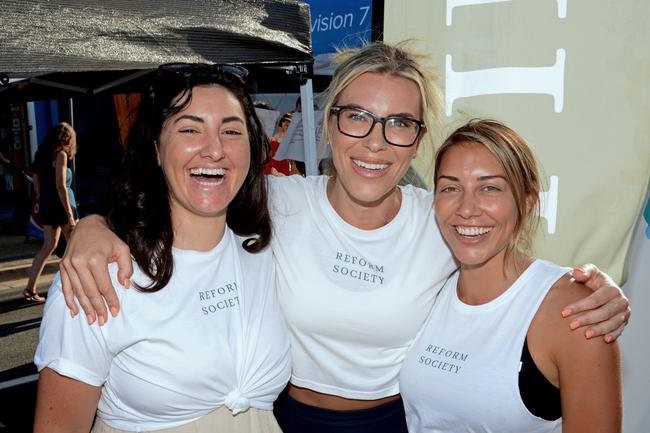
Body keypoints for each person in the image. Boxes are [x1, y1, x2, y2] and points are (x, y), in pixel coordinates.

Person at [58, 42, 630, 433]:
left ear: (416, 140)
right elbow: (185, 192)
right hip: (281, 418)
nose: (376, 141)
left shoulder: (440, 217)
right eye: (358, 117)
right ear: (331, 124)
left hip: (393, 422)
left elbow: (503, 246)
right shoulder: (277, 201)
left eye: (400, 123)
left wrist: (593, 288)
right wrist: (91, 226)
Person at [33, 63, 291, 433]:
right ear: (155, 148)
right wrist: (92, 225)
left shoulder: (266, 248)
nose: (215, 150)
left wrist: (92, 221)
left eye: (231, 131)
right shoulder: (99, 277)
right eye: (190, 129)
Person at [399, 119, 622, 432]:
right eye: (451, 188)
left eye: (489, 188)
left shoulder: (575, 311)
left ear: (527, 201)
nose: (466, 209)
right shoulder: (429, 286)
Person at [24, 122, 78, 303]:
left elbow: (37, 185)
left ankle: (30, 288)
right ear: (67, 138)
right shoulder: (61, 154)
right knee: (74, 247)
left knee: (48, 246)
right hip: (62, 206)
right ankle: (74, 286)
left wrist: (43, 199)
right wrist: (69, 214)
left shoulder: (42, 155)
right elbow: (61, 185)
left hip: (48, 205)